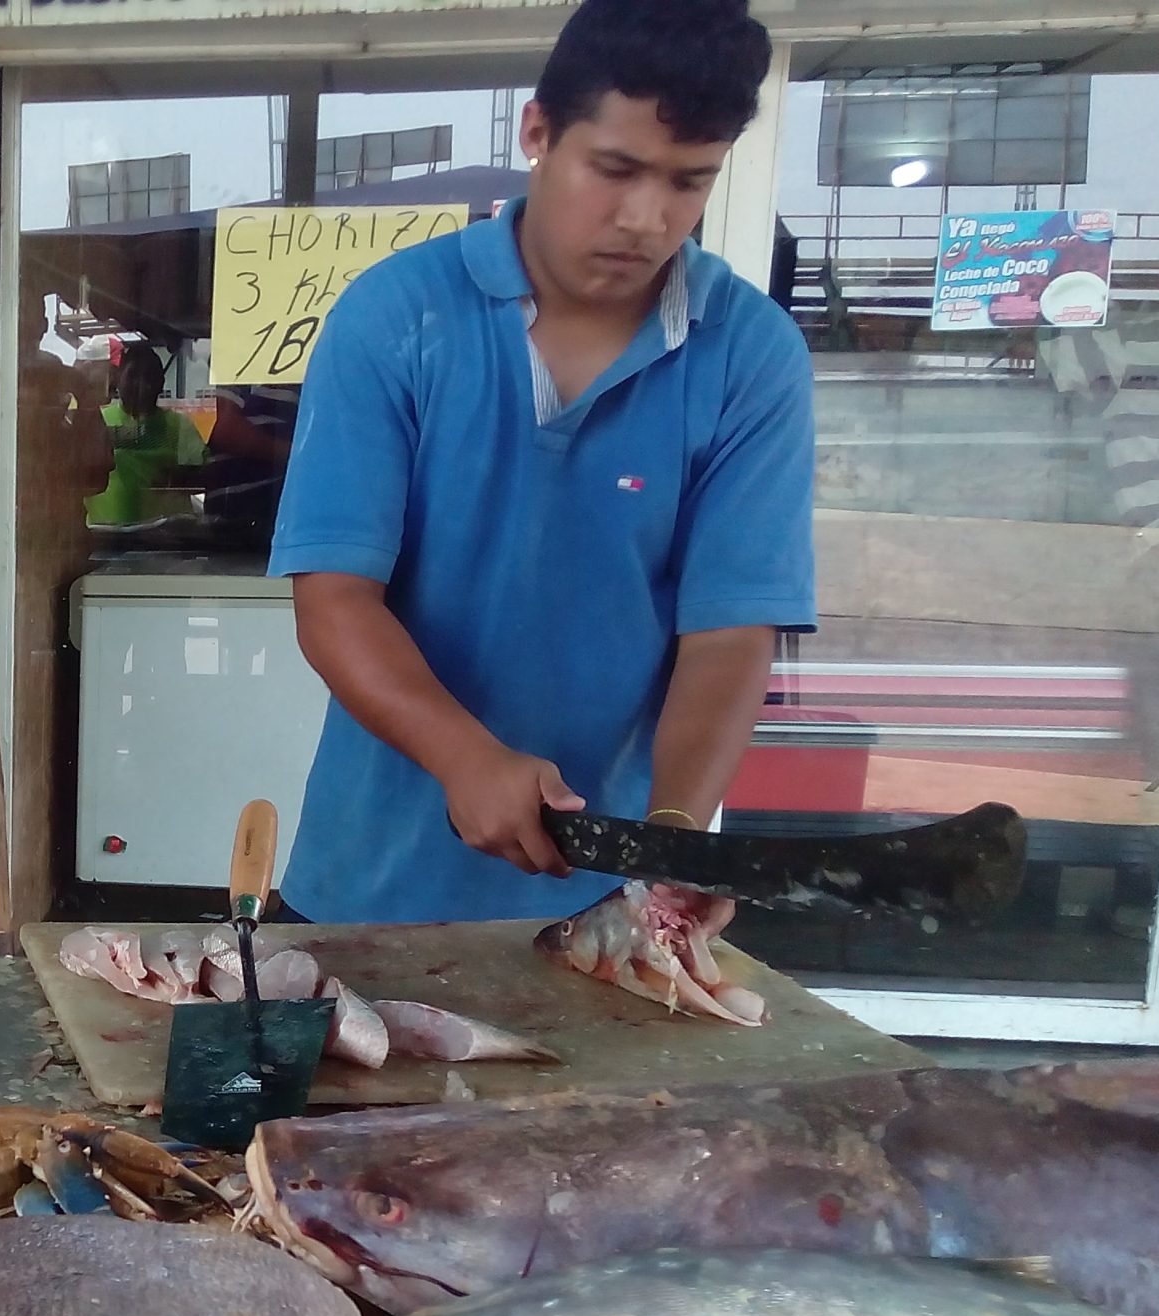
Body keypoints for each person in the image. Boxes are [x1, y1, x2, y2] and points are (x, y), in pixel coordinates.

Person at [267, 0, 812, 925]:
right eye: (615, 168)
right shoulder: (398, 316)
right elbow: (333, 598)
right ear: (538, 131)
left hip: (606, 899)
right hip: (369, 885)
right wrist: (465, 758)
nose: (646, 217)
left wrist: (675, 837)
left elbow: (728, 633)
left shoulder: (748, 353)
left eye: (689, 182)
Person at [84, 344, 209, 530]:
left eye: (150, 378)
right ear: (118, 378)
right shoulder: (97, 421)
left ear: (161, 383)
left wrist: (179, 479)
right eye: (133, 376)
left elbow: (208, 473)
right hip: (104, 536)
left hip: (166, 539)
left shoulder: (179, 426)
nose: (142, 385)